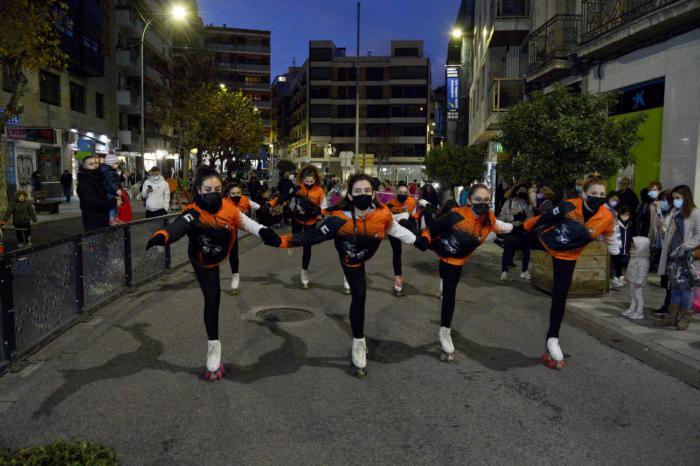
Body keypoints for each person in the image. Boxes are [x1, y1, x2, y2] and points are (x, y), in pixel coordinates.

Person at [276, 174, 428, 376]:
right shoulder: (340, 219)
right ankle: (358, 341)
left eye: (367, 191)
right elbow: (313, 236)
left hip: (364, 255)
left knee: (359, 294)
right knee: (359, 295)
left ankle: (359, 338)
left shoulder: (382, 215)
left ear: (373, 194)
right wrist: (282, 241)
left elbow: (396, 229)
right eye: (358, 191)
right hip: (348, 257)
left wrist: (420, 241)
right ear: (350, 195)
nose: (363, 195)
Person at [146, 167, 281, 380]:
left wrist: (265, 233)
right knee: (212, 299)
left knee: (215, 293)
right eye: (208, 189)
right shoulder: (193, 212)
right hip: (202, 261)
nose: (213, 193)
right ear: (199, 190)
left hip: (220, 253)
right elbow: (179, 226)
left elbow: (249, 224)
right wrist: (163, 235)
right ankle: (213, 346)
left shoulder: (229, 209)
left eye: (218, 189)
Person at [523, 175, 620, 369]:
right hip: (547, 241)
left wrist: (614, 247)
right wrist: (522, 228)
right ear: (584, 194)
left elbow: (610, 233)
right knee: (514, 238)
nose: (598, 197)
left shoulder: (606, 216)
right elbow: (545, 217)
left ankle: (553, 338)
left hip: (567, 256)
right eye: (593, 193)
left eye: (602, 194)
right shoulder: (570, 205)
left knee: (560, 296)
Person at [417, 183, 513, 362]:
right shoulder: (456, 216)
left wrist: (517, 231)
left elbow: (499, 227)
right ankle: (445, 331)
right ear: (469, 200)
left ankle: (445, 325)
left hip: (461, 258)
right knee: (450, 294)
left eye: (486, 200)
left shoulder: (489, 217)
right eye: (478, 200)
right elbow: (433, 228)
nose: (482, 203)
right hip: (446, 255)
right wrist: (424, 238)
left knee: (450, 290)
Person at [269, 165, 328, 289]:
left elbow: (324, 208)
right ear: (302, 180)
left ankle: (304, 273)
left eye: (311, 181)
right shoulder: (297, 188)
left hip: (311, 222)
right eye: (307, 181)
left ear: (316, 180)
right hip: (297, 219)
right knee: (295, 238)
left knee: (307, 248)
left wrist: (317, 211)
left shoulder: (320, 191)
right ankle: (291, 243)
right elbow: (285, 196)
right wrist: (272, 203)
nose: (309, 183)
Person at [655, 185, 700, 330]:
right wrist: (662, 230)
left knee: (685, 289)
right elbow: (669, 234)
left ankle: (685, 317)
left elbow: (699, 235)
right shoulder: (674, 211)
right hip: (672, 256)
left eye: (678, 198)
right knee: (673, 287)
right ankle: (671, 316)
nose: (675, 201)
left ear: (686, 197)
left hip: (685, 257)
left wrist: (684, 247)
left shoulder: (695, 213)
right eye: (673, 198)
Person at [385, 182, 422, 296]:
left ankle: (421, 238)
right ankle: (398, 280)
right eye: (400, 192)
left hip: (407, 227)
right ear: (395, 193)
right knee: (397, 253)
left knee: (405, 219)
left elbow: (417, 214)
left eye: (405, 192)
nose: (402, 194)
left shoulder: (412, 201)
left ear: (409, 193)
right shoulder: (390, 204)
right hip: (394, 230)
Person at [225, 182, 261, 294]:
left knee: (234, 253)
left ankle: (235, 276)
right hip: (220, 231)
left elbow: (258, 206)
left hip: (233, 231)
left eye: (239, 193)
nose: (236, 195)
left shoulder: (245, 200)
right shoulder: (222, 203)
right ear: (228, 194)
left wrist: (268, 207)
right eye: (233, 193)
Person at [76, 153, 122, 232]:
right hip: (94, 221)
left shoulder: (99, 177)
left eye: (96, 163)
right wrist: (113, 202)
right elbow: (92, 202)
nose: (95, 165)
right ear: (84, 167)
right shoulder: (85, 181)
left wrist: (115, 198)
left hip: (103, 219)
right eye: (91, 164)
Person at [498, 183, 534, 281]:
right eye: (520, 190)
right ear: (516, 191)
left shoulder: (528, 204)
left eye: (524, 190)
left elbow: (531, 218)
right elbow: (501, 217)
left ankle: (524, 271)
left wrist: (525, 218)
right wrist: (513, 217)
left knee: (526, 251)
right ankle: (504, 271)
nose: (522, 192)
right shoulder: (508, 202)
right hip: (510, 229)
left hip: (522, 230)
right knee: (508, 249)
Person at [651, 190, 674, 315]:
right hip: (663, 250)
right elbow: (659, 232)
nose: (661, 203)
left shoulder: (673, 215)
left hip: (672, 252)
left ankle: (670, 307)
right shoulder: (665, 213)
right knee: (665, 281)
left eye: (664, 200)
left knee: (670, 282)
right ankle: (667, 305)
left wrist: (659, 212)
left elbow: (666, 231)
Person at [622, 236, 650, 320]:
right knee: (632, 295)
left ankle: (639, 312)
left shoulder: (643, 260)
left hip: (637, 283)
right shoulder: (634, 256)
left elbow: (642, 273)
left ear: (640, 247)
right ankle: (632, 309)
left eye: (634, 246)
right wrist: (627, 277)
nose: (632, 247)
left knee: (638, 296)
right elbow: (629, 268)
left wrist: (639, 282)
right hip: (632, 281)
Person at [611, 206, 633, 289]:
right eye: (624, 214)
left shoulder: (629, 224)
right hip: (617, 247)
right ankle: (615, 278)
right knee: (616, 262)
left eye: (628, 214)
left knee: (622, 262)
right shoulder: (616, 224)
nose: (626, 216)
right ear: (620, 214)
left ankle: (620, 277)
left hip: (625, 247)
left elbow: (630, 236)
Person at [99, 153, 124, 225]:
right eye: (116, 163)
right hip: (110, 192)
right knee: (113, 206)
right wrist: (117, 189)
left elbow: (116, 180)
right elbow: (111, 182)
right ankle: (111, 219)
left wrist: (122, 178)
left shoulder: (112, 170)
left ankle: (115, 217)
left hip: (113, 191)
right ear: (111, 163)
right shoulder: (108, 172)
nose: (117, 165)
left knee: (117, 205)